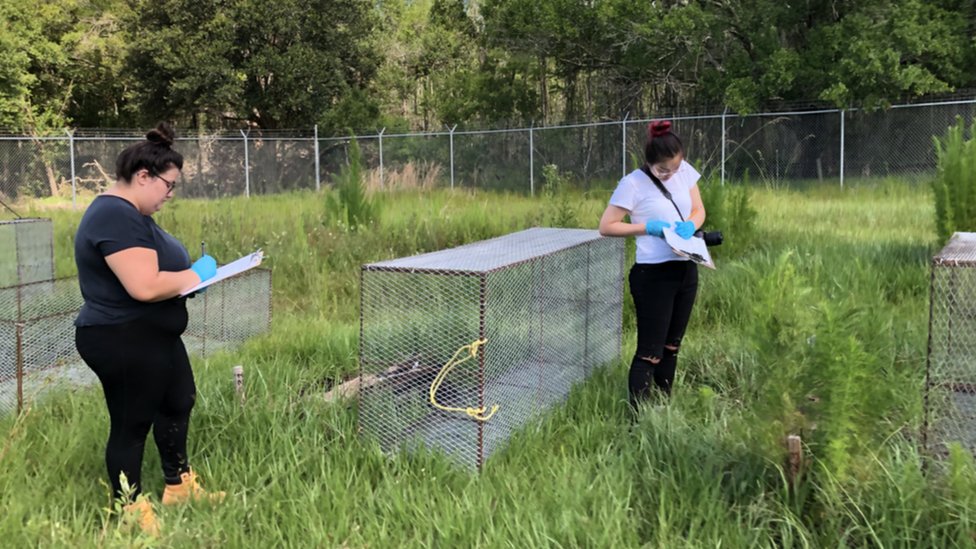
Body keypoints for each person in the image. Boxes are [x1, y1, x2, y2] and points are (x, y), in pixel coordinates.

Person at [74, 122, 223, 535]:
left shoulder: (132, 213)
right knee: (131, 424)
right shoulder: (113, 215)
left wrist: (190, 277)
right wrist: (195, 276)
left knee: (178, 400)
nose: (170, 195)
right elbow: (143, 286)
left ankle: (178, 486)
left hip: (153, 334)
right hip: (121, 336)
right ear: (143, 176)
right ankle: (130, 509)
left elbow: (158, 276)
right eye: (168, 186)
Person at [598, 119, 706, 410]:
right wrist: (648, 227)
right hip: (653, 275)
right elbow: (607, 226)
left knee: (672, 346)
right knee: (650, 353)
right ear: (649, 163)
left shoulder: (683, 172)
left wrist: (691, 225)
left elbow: (698, 209)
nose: (670, 174)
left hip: (686, 268)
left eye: (674, 168)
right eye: (662, 170)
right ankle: (639, 420)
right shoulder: (632, 183)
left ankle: (663, 407)